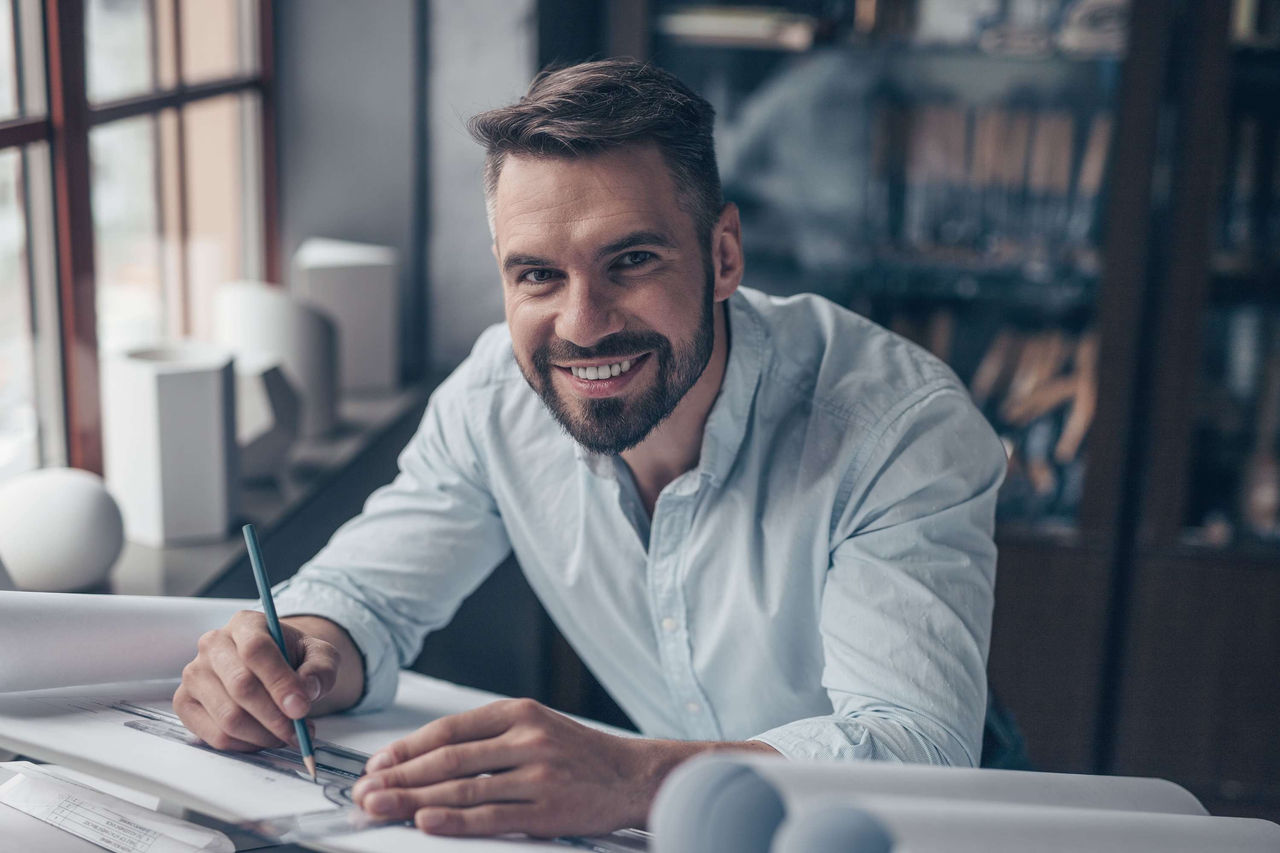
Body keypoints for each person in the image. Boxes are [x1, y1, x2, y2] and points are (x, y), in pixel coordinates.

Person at [174, 59, 1006, 839]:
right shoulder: (493, 398)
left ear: (723, 256)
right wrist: (301, 657)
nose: (582, 323)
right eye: (537, 275)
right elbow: (368, 595)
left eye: (631, 260)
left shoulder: (899, 426)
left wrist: (631, 778)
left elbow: (914, 752)